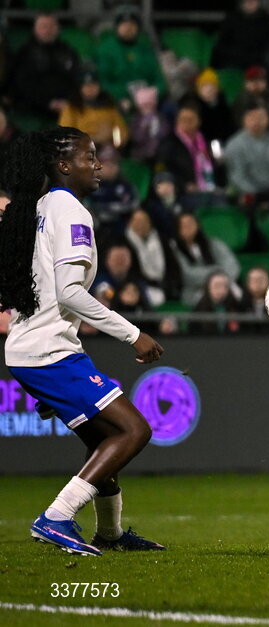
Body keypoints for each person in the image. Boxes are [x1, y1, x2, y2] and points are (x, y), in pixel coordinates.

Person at [0, 127, 165, 556]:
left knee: (102, 442)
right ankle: (56, 517)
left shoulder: (38, 208)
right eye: (88, 156)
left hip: (37, 347)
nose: (98, 165)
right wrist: (134, 334)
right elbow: (70, 291)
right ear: (62, 165)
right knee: (134, 430)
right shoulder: (70, 210)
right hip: (47, 351)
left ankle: (110, 535)